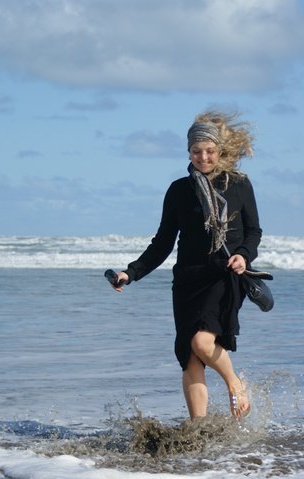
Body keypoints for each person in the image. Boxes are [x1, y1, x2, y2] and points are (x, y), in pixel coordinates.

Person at [108, 110, 263, 420]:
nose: (203, 157)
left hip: (223, 277)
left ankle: (235, 383)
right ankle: (198, 429)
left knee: (202, 342)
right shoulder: (179, 190)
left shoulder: (239, 184)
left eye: (209, 151)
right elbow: (163, 242)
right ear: (188, 151)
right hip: (187, 281)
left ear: (219, 150)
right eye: (196, 151)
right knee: (190, 357)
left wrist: (244, 255)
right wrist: (131, 272)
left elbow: (253, 231)